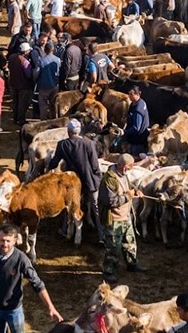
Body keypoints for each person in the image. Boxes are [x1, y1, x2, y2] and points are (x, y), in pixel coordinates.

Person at [0, 223, 63, 333]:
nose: (4, 244)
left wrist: (50, 307)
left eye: (8, 241)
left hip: (13, 310)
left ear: (15, 241)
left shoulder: (21, 259)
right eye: (2, 240)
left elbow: (37, 284)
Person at [49, 120, 102, 240]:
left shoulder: (62, 144)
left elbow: (54, 162)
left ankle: (65, 230)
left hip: (72, 181)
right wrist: (98, 178)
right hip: (89, 180)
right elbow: (94, 165)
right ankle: (101, 234)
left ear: (68, 132)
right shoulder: (89, 143)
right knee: (95, 206)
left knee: (68, 205)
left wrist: (48, 168)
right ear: (79, 131)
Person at [99, 154, 144, 282]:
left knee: (129, 242)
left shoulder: (123, 175)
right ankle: (108, 271)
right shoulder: (109, 179)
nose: (129, 170)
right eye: (129, 168)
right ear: (123, 167)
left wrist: (135, 191)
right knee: (113, 247)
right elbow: (111, 202)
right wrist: (129, 196)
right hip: (114, 219)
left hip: (125, 216)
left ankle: (132, 263)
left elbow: (128, 188)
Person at [7, 43, 35, 127]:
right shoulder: (24, 62)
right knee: (22, 103)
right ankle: (21, 120)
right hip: (23, 85)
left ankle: (15, 118)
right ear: (25, 52)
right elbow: (28, 74)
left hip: (13, 83)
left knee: (15, 102)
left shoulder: (12, 57)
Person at [35, 42, 61, 120]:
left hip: (43, 85)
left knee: (43, 104)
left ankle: (44, 119)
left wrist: (35, 80)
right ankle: (53, 119)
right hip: (55, 84)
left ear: (45, 50)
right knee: (53, 103)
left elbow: (36, 72)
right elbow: (59, 71)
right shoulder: (57, 60)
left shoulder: (41, 60)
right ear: (53, 50)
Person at [123, 87, 151, 155]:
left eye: (131, 94)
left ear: (138, 94)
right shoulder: (137, 103)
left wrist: (125, 132)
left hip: (138, 141)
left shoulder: (138, 109)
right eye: (129, 94)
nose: (129, 96)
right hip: (137, 138)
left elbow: (136, 128)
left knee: (135, 157)